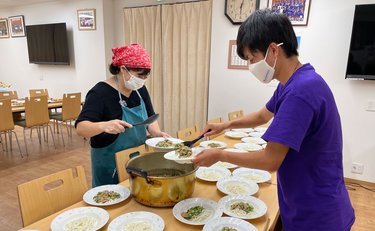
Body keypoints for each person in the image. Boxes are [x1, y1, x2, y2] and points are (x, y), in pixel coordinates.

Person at [192, 9, 355, 231]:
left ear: (272, 50)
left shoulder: (301, 91)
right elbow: (262, 115)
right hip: (309, 200)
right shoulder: (294, 83)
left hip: (317, 214)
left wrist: (220, 154)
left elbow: (270, 160)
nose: (251, 66)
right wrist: (225, 125)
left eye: (252, 58)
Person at [76, 43, 170, 187]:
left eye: (146, 75)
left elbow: (149, 118)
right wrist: (104, 125)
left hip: (137, 159)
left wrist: (157, 134)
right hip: (110, 163)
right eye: (140, 75)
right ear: (123, 69)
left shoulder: (140, 90)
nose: (143, 79)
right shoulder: (100, 93)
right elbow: (81, 128)